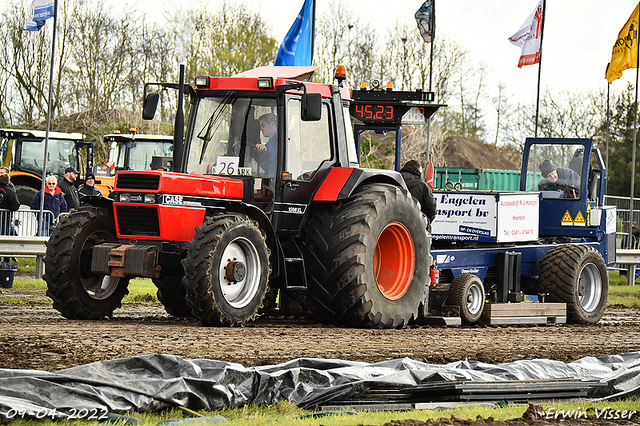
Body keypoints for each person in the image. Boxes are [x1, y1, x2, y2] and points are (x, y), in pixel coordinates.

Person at [400, 160, 437, 229]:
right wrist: (423, 222)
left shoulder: (393, 182)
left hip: (395, 224)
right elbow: (431, 209)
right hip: (416, 226)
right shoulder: (423, 186)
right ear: (417, 171)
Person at [254, 113, 277, 177]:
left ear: (272, 125)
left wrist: (265, 150)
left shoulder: (281, 140)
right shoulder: (271, 141)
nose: (261, 129)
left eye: (263, 126)